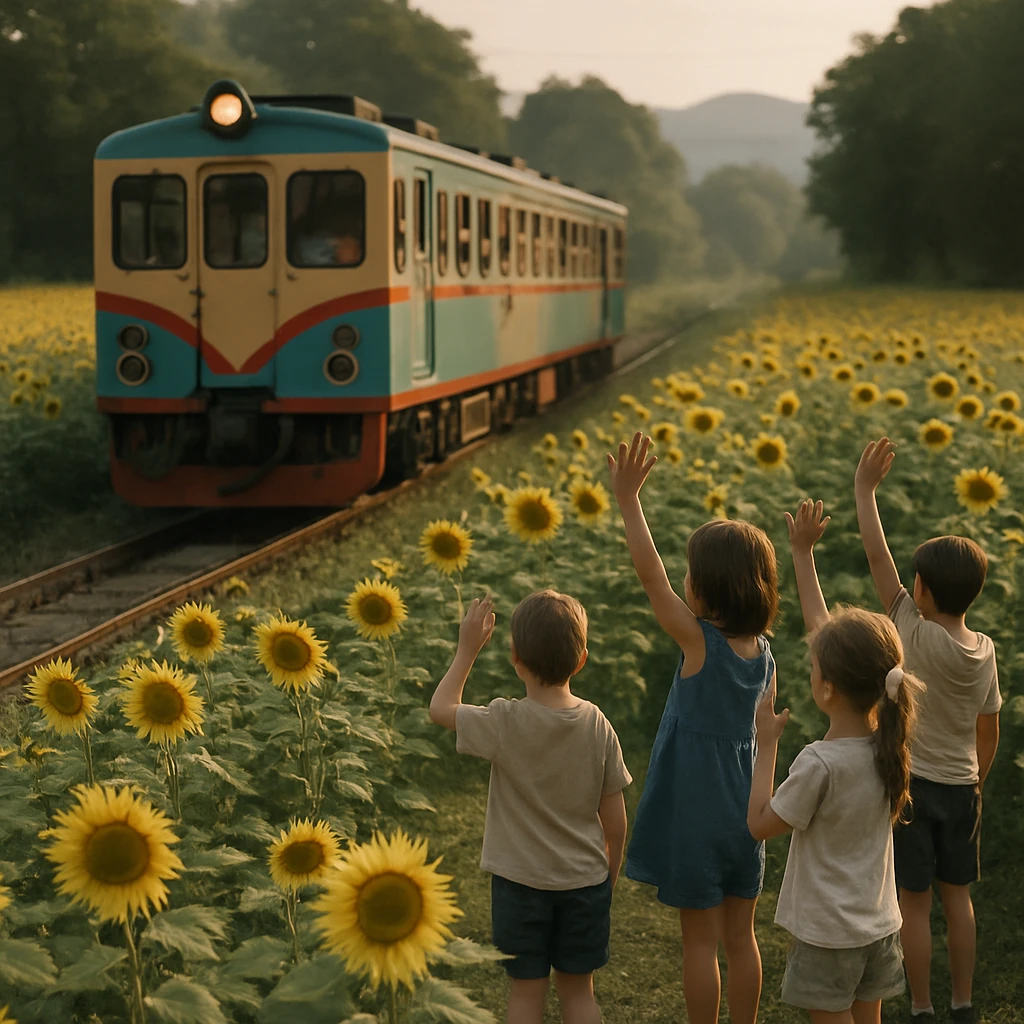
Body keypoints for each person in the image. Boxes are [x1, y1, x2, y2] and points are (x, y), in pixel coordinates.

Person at [606, 431, 777, 1024]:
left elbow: (649, 577)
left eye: (689, 572)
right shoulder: (765, 654)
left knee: (699, 944)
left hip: (696, 813)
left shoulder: (698, 644)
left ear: (706, 589)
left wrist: (629, 501)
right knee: (742, 940)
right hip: (747, 814)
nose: (680, 579)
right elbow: (765, 732)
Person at [749, 498, 920, 1024]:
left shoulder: (818, 763)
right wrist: (803, 556)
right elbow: (832, 638)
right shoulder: (891, 746)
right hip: (878, 926)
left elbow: (760, 826)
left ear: (825, 687)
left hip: (828, 935)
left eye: (813, 664)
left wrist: (766, 743)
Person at [429, 591, 631, 1024]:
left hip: (519, 887)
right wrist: (607, 874)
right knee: (579, 994)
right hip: (584, 884)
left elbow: (440, 709)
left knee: (525, 996)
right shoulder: (598, 724)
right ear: (581, 660)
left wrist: (467, 650)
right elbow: (615, 821)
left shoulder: (504, 721)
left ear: (515, 656)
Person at [854, 438, 1001, 1024]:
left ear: (922, 591)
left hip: (914, 787)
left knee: (912, 903)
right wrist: (977, 779)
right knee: (957, 898)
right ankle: (963, 1003)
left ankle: (919, 1006)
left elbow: (877, 559)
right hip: (964, 787)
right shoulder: (983, 651)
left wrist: (866, 491)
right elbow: (986, 729)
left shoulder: (914, 634)